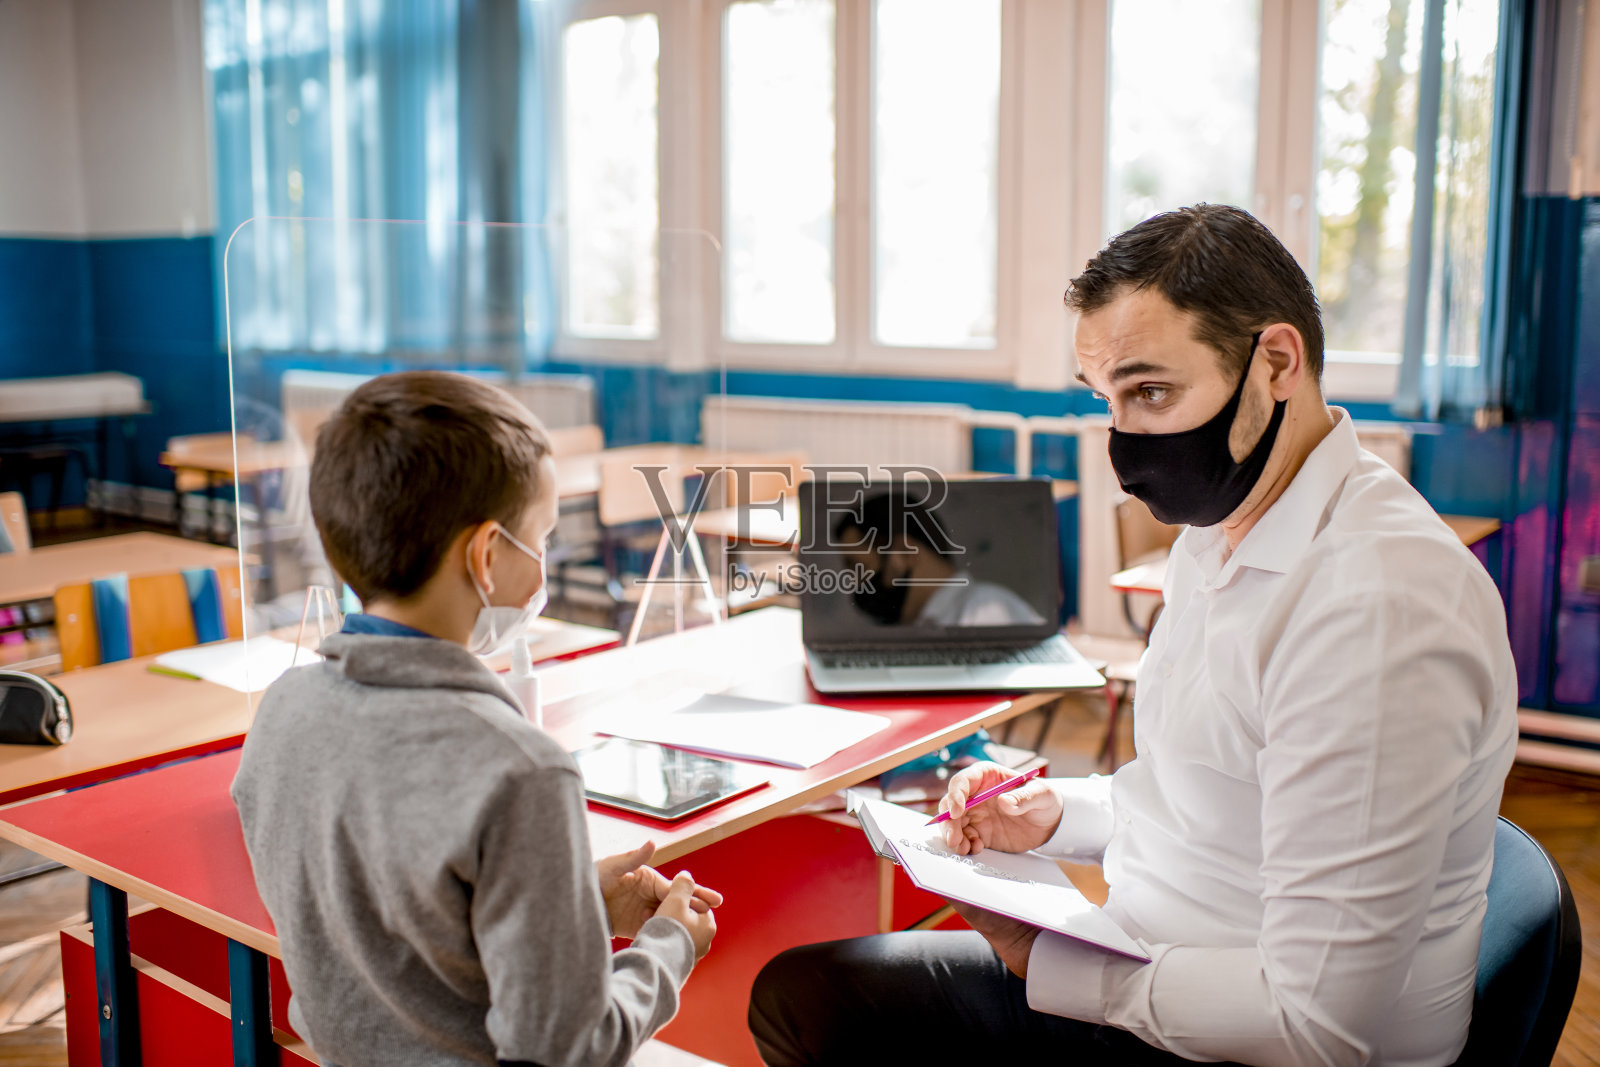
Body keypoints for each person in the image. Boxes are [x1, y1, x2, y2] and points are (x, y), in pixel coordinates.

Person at [748, 204, 1518, 1066]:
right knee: (810, 992)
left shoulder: (1375, 608)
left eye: (1151, 392)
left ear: (1277, 363)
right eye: (1106, 398)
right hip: (1162, 965)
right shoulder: (1225, 527)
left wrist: (1053, 964)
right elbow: (1211, 791)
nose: (1124, 441)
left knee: (822, 1006)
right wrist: (1055, 814)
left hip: (1245, 1041)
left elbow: (1318, 1027)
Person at [233, 371, 722, 1067]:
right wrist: (668, 944)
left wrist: (570, 901)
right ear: (486, 556)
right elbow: (569, 1047)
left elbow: (391, 922)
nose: (544, 561)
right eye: (541, 537)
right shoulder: (520, 767)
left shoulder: (282, 712)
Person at [836, 491, 1045, 628]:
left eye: (859, 567)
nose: (855, 582)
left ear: (905, 552)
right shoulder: (926, 624)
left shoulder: (985, 611)